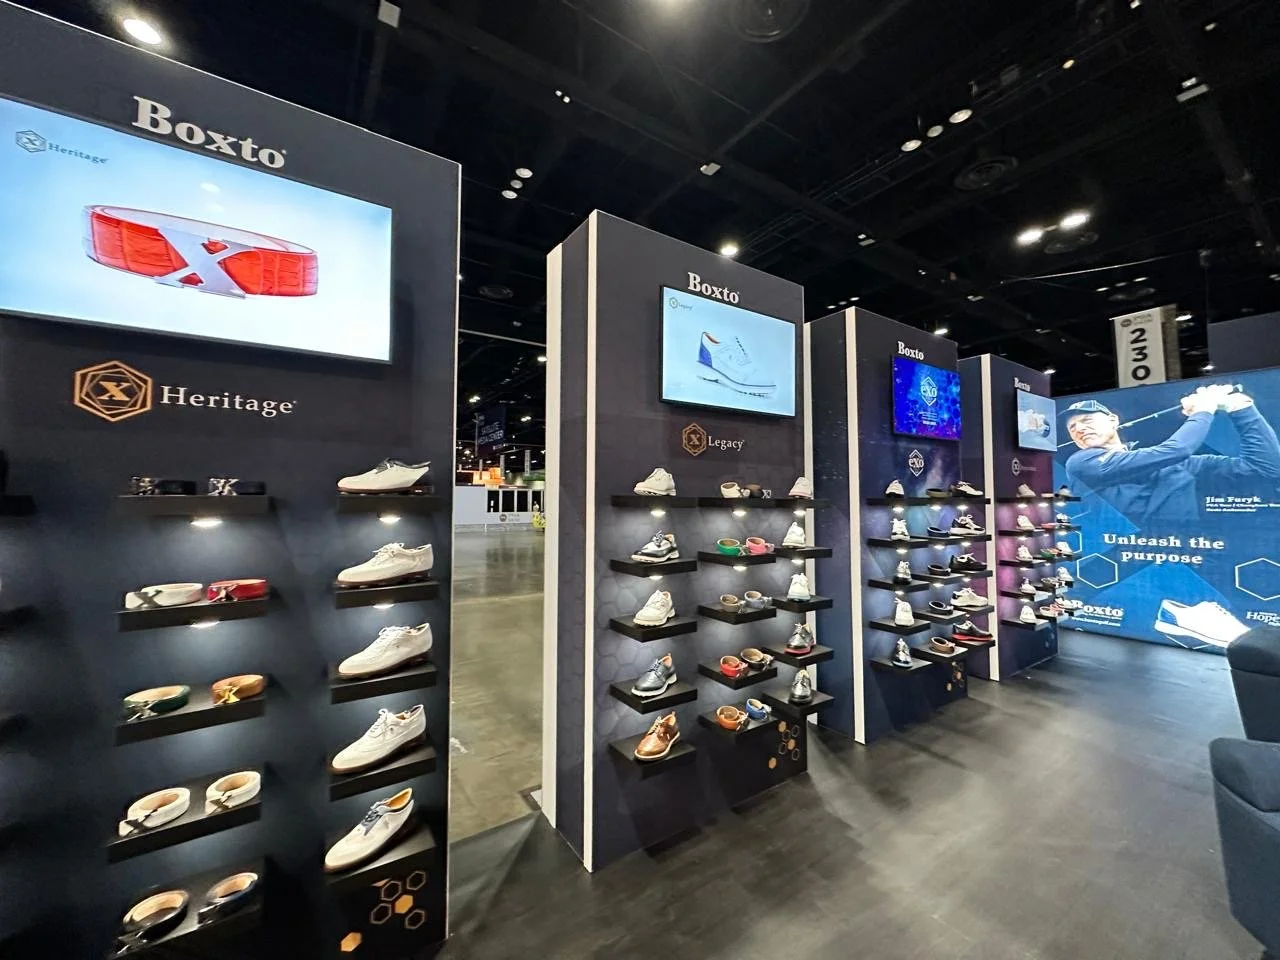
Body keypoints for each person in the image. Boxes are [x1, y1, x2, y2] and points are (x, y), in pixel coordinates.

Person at [1061, 383, 1280, 526]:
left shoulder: (1174, 465)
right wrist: (1203, 409)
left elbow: (1265, 468)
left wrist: (1241, 408)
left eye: (1087, 421)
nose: (1079, 429)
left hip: (1191, 557)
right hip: (1128, 564)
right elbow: (1178, 449)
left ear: (1113, 421)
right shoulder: (1081, 463)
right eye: (1073, 428)